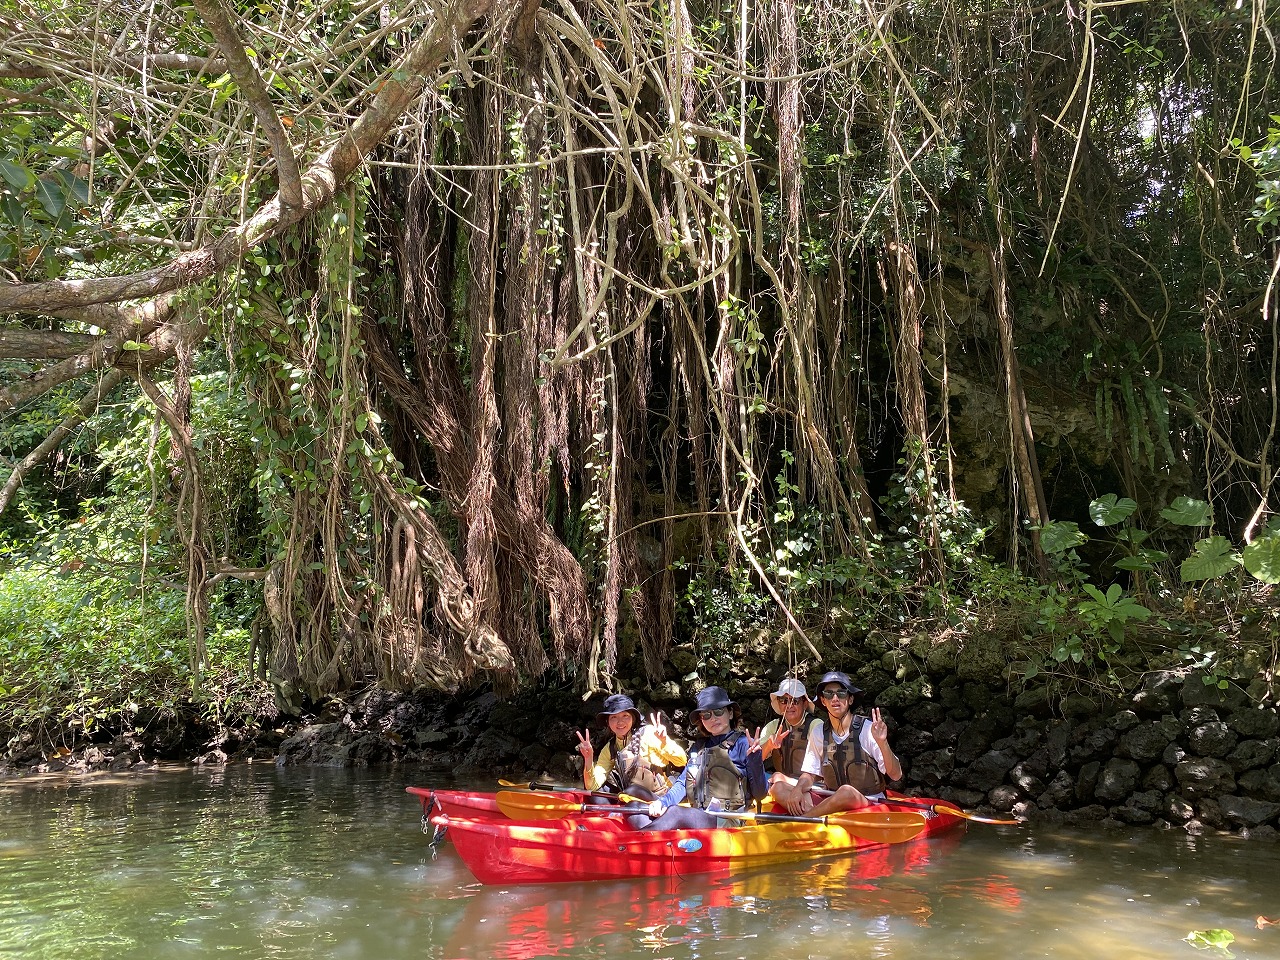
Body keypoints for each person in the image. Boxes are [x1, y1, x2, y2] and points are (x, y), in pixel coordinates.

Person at [640, 685, 769, 830]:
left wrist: (755, 758)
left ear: (730, 713)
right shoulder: (699, 748)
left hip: (729, 821)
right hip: (701, 815)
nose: (713, 718)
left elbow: (760, 793)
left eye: (718, 711)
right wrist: (663, 802)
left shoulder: (743, 745)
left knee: (676, 813)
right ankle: (639, 842)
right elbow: (683, 783)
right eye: (706, 715)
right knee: (637, 809)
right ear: (702, 720)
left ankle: (633, 847)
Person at [786, 670, 902, 818]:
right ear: (823, 701)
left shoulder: (867, 729)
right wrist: (797, 789)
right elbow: (809, 774)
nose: (835, 698)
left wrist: (882, 742)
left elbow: (896, 775)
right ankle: (815, 814)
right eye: (828, 694)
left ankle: (804, 819)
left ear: (850, 699)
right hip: (832, 801)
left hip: (868, 804)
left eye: (841, 693)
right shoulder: (819, 732)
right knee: (779, 787)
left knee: (846, 792)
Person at [574, 693, 686, 799]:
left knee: (632, 791)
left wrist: (665, 742)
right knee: (597, 795)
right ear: (608, 722)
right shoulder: (610, 748)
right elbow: (592, 786)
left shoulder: (649, 733)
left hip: (661, 796)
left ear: (633, 719)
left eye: (625, 716)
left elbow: (682, 761)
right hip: (632, 798)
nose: (620, 722)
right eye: (614, 717)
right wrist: (588, 759)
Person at [757, 677, 822, 809]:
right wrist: (769, 745)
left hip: (812, 785)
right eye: (784, 701)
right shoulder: (773, 726)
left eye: (795, 701)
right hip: (784, 782)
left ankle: (808, 813)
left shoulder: (815, 725)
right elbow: (755, 760)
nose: (789, 705)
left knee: (776, 779)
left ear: (804, 703)